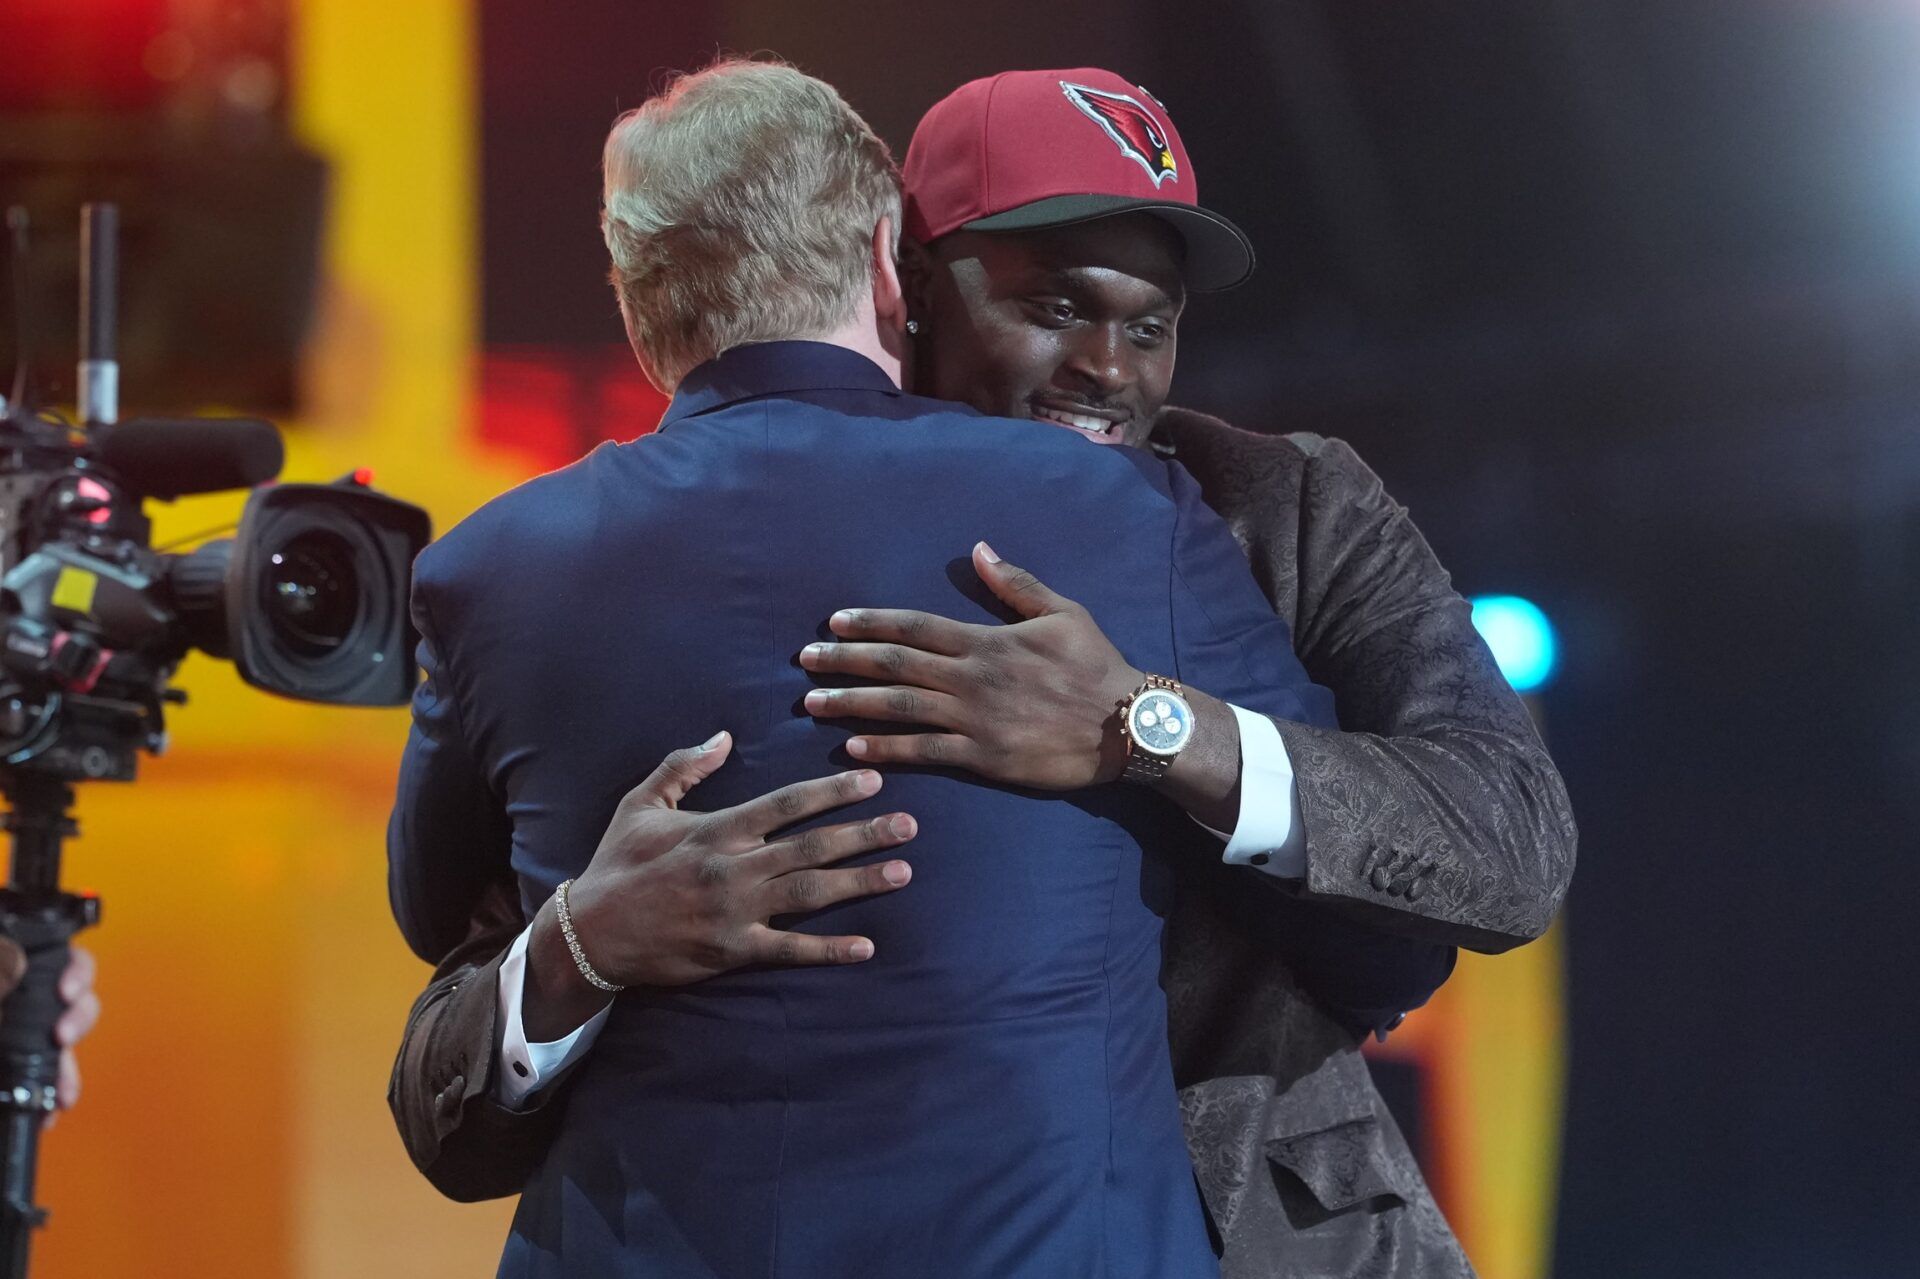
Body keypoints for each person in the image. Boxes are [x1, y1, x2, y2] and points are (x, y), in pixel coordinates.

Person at [390, 66, 1577, 1278]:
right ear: (902, 280)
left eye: (1151, 326)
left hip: (1246, 1233)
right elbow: (454, 1032)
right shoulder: (644, 577)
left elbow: (1497, 854)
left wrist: (1149, 727)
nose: (1109, 369)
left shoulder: (1270, 508)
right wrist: (581, 941)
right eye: (1056, 308)